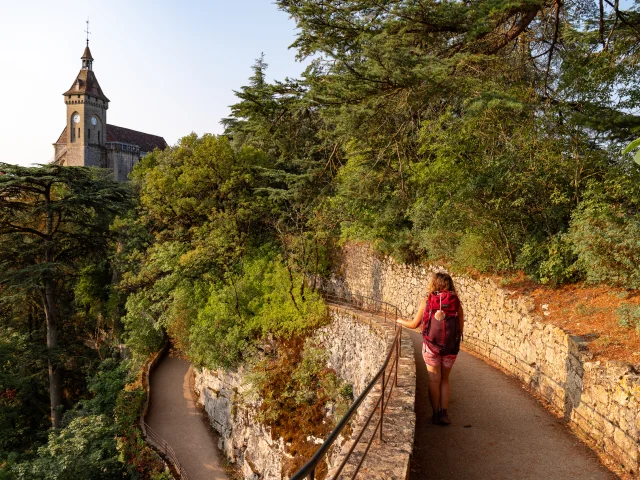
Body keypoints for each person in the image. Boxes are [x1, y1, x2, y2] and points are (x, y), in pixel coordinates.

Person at [397, 272, 464, 425]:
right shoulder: (456, 303)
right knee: (445, 380)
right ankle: (444, 414)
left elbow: (414, 325)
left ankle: (435, 414)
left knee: (434, 380)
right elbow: (460, 330)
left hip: (431, 348)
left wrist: (399, 320)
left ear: (434, 284)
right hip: (450, 349)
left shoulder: (427, 302)